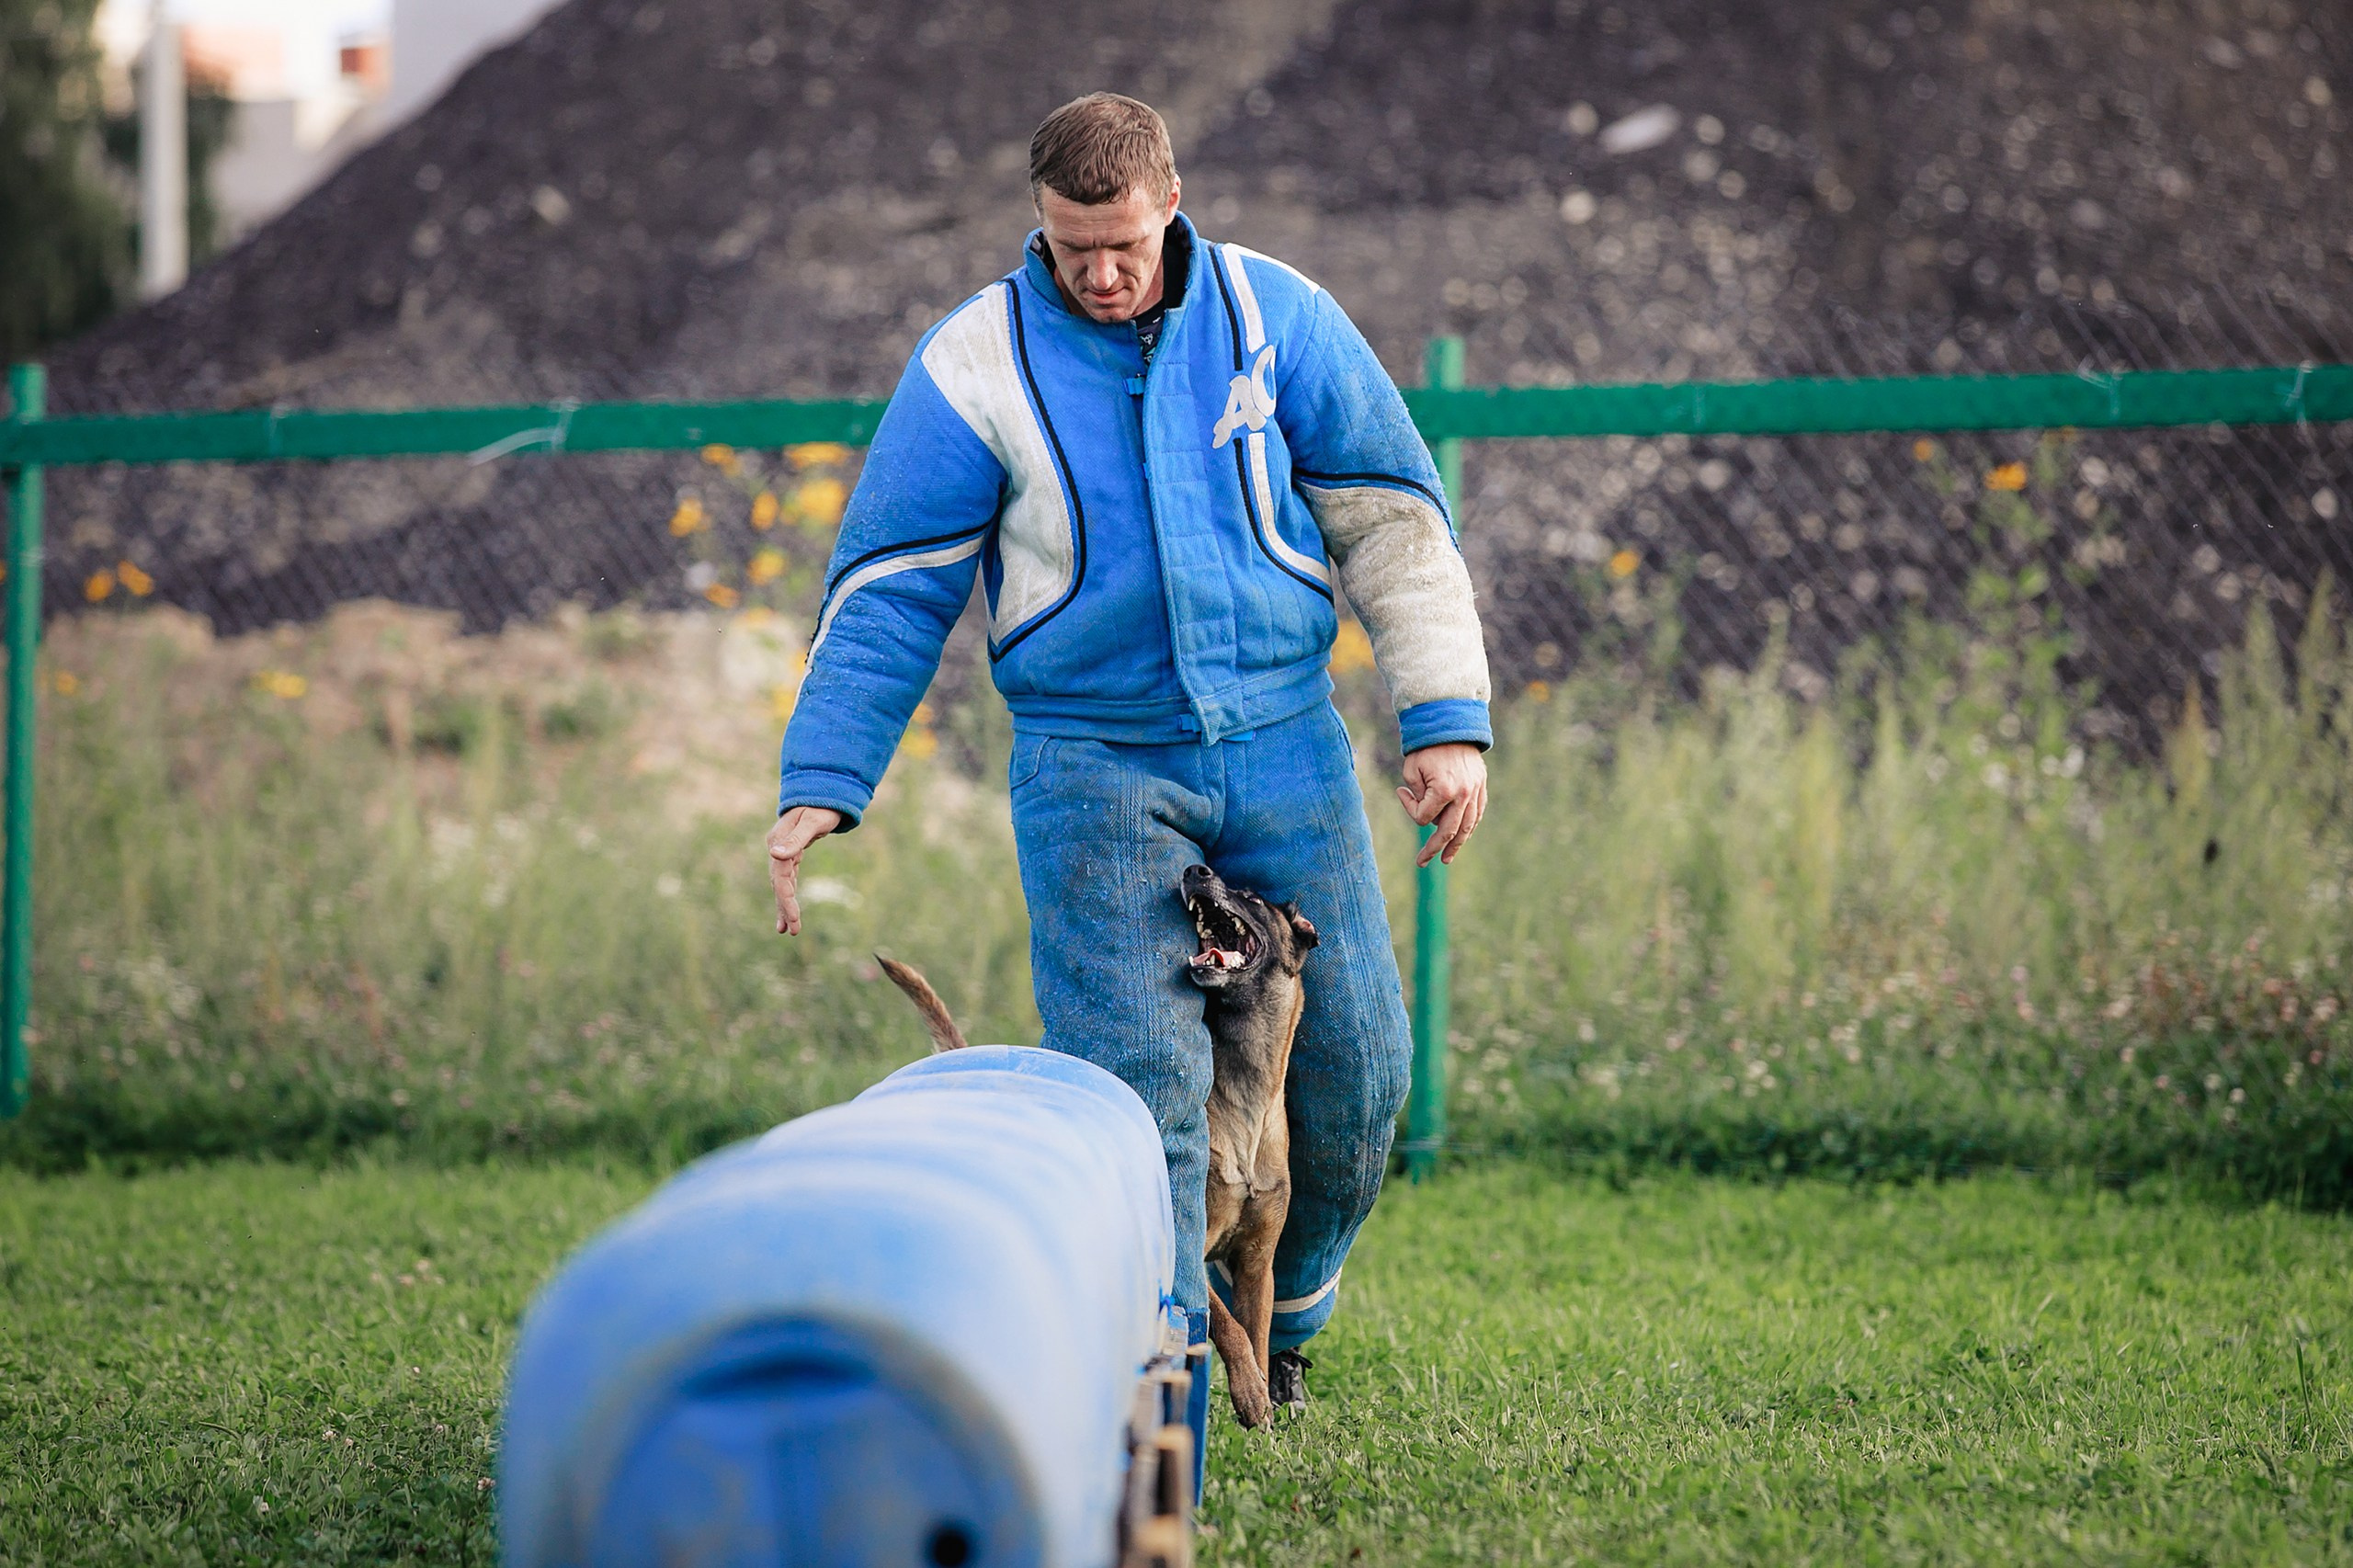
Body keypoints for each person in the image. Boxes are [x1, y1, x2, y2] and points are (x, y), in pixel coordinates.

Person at [765, 91, 1491, 1467]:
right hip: (1093, 770)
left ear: (1170, 203)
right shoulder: (974, 360)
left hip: (1285, 745)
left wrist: (1445, 718)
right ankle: (1165, 1403)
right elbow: (888, 586)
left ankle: (1284, 1327)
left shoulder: (1278, 317)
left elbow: (1392, 522)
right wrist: (825, 773)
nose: (1101, 273)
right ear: (1039, 223)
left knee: (1358, 1069)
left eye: (1124, 245)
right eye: (1070, 246)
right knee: (1146, 1100)